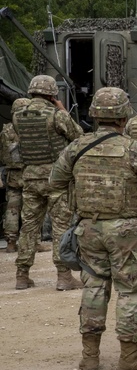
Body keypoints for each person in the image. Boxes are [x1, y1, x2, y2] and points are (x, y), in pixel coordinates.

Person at [49, 86, 137, 370]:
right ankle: (129, 357)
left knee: (93, 286)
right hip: (127, 229)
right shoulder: (136, 150)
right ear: (124, 116)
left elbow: (56, 181)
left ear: (94, 114)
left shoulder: (76, 147)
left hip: (88, 227)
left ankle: (90, 356)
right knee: (132, 289)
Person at [12, 74, 83, 290]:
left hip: (30, 177)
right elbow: (77, 135)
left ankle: (22, 275)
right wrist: (62, 110)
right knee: (61, 225)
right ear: (53, 94)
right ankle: (63, 276)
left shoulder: (17, 116)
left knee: (29, 226)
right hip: (56, 178)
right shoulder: (56, 115)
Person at [1, 98, 29, 251]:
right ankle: (33, 242)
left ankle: (11, 243)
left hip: (12, 174)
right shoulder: (30, 128)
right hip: (29, 172)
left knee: (12, 208)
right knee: (31, 208)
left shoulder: (6, 131)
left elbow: (2, 153)